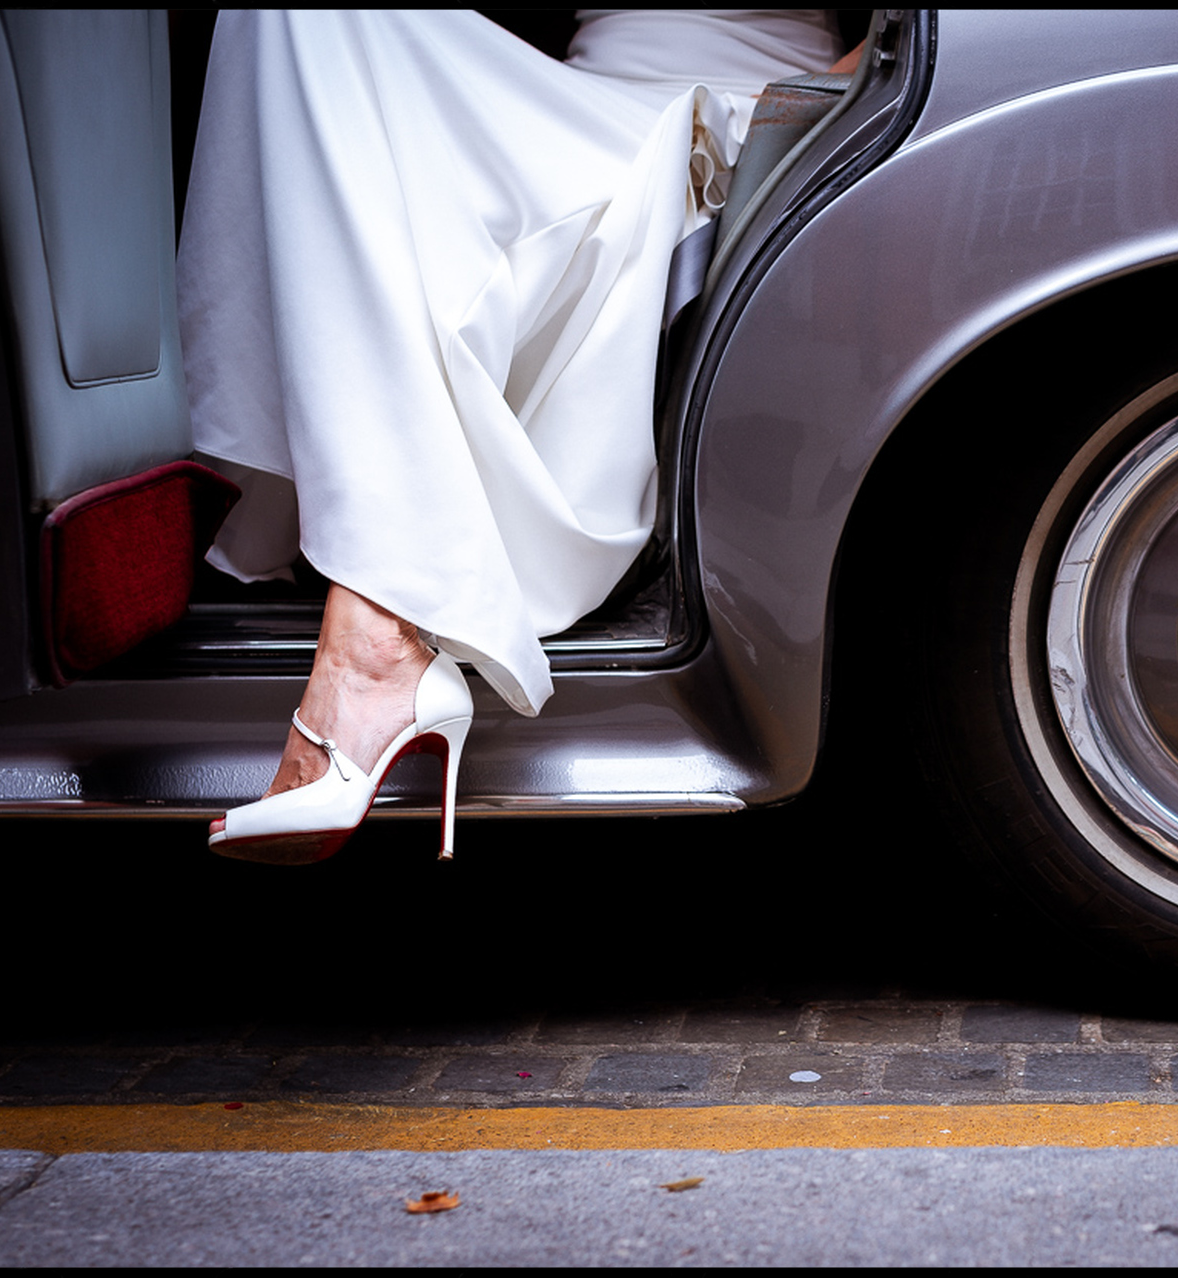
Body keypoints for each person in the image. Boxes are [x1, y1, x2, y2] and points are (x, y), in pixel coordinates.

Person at [184, 11, 851, 863]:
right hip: (566, 103)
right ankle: (383, 620)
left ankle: (376, 632)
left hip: (726, 118)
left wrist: (806, 119)